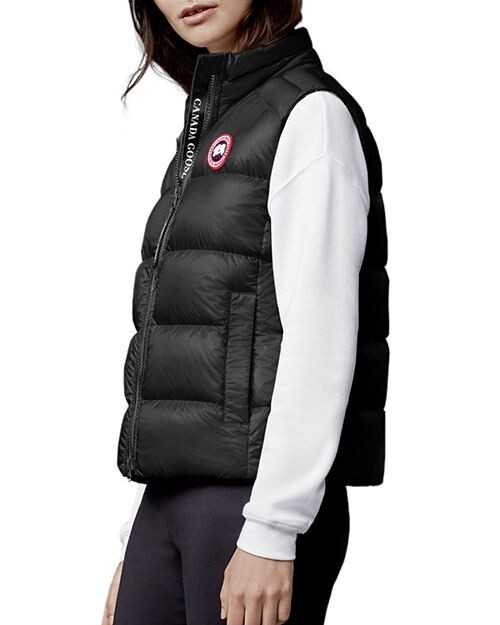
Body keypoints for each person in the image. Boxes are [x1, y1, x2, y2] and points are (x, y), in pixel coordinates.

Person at [102, 2, 389, 624]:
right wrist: (137, 541)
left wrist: (273, 528)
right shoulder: (215, 119)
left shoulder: (310, 115)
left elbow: (322, 338)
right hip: (170, 502)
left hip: (250, 506)